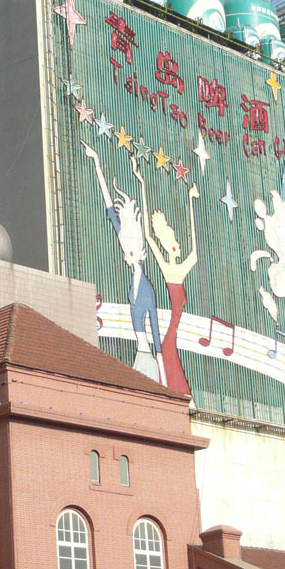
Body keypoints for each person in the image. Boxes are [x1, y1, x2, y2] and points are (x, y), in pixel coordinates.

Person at [81, 141, 165, 383]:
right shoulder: (134, 273)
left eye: (128, 251)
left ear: (137, 250)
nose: (125, 253)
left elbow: (155, 329)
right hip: (140, 355)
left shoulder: (147, 289)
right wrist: (96, 162)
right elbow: (110, 208)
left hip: (146, 357)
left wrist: (162, 366)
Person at [131, 155, 199, 396]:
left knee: (171, 361)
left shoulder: (178, 269)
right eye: (173, 241)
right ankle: (174, 398)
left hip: (173, 329)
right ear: (170, 245)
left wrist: (191, 201)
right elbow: (150, 237)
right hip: (171, 330)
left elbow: (195, 252)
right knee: (170, 358)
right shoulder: (172, 270)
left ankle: (173, 397)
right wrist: (141, 183)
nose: (177, 244)